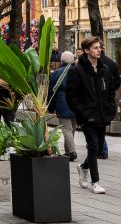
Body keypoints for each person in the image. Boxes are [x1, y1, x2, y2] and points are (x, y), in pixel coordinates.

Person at [66, 36, 117, 194]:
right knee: (93, 146)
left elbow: (110, 91)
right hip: (87, 116)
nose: (99, 50)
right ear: (87, 50)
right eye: (95, 48)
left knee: (100, 147)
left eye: (99, 47)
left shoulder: (105, 69)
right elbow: (71, 96)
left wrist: (111, 109)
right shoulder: (77, 70)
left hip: (103, 115)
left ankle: (83, 167)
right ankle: (95, 182)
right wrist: (83, 111)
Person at [49, 51, 78, 161]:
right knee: (72, 129)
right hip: (76, 103)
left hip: (63, 103)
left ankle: (72, 151)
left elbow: (52, 90)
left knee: (67, 129)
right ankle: (68, 152)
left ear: (62, 60)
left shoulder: (58, 72)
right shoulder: (77, 71)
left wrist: (50, 107)